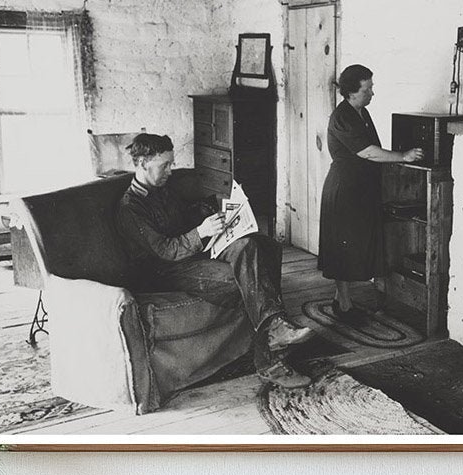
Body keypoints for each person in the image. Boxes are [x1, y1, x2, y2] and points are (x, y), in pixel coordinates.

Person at [116, 133, 314, 389]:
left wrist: (209, 216)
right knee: (246, 279)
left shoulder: (162, 189)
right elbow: (165, 250)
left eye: (171, 163)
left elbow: (181, 221)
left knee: (259, 246)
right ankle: (270, 360)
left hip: (189, 255)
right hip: (164, 270)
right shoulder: (130, 208)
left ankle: (275, 324)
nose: (170, 170)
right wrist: (201, 231)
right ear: (142, 164)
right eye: (164, 165)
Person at [317, 64, 424, 323]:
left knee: (356, 244)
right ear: (352, 92)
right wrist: (403, 155)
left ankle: (342, 299)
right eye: (368, 88)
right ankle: (342, 303)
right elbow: (368, 151)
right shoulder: (342, 116)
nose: (372, 93)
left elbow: (373, 149)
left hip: (360, 189)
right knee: (342, 247)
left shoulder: (361, 112)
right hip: (345, 189)